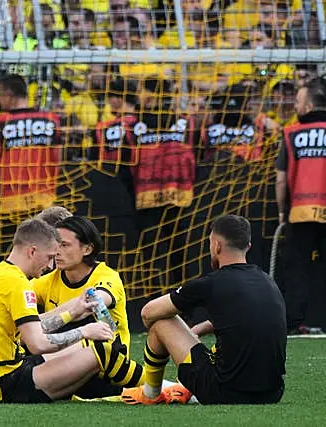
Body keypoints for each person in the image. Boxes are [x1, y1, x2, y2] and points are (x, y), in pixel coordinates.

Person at [0, 218, 153, 404]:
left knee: (80, 347)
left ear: (88, 249)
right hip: (5, 383)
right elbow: (37, 343)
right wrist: (83, 330)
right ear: (32, 251)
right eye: (50, 256)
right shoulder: (19, 284)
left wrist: (73, 312)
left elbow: (35, 328)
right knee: (102, 350)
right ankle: (158, 386)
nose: (52, 263)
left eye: (64, 246)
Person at [121, 215, 287, 405]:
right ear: (248, 246)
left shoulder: (213, 283)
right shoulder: (267, 281)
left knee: (162, 322)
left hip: (225, 393)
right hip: (273, 393)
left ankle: (150, 394)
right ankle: (186, 389)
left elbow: (148, 312)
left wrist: (173, 338)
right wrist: (198, 329)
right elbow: (244, 319)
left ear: (216, 246)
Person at [31, 216, 137, 398]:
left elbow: (94, 302)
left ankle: (161, 387)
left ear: (87, 249)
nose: (57, 251)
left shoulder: (107, 276)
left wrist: (38, 324)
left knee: (88, 328)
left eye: (64, 245)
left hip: (104, 369)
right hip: (62, 363)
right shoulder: (48, 280)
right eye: (55, 245)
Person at [276, 77, 326, 335]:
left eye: (297, 101)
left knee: (297, 270)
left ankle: (295, 322)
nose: (295, 105)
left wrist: (282, 211)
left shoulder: (290, 132)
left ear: (308, 105)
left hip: (301, 211)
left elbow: (281, 179)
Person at [0, 74, 62, 214]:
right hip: (45, 199)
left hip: (12, 200)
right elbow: (59, 160)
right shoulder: (51, 120)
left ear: (8, 94)